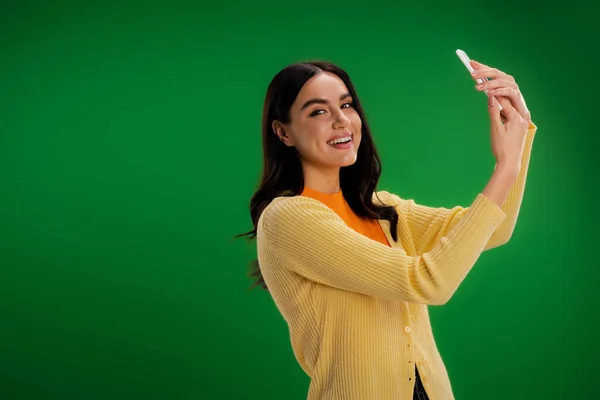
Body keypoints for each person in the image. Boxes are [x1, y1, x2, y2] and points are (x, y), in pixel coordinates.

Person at [238, 60, 537, 399]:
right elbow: (428, 282)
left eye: (347, 104)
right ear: (283, 132)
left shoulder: (383, 209)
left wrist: (521, 132)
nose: (341, 120)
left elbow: (491, 230)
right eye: (318, 112)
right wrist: (506, 166)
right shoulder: (288, 218)